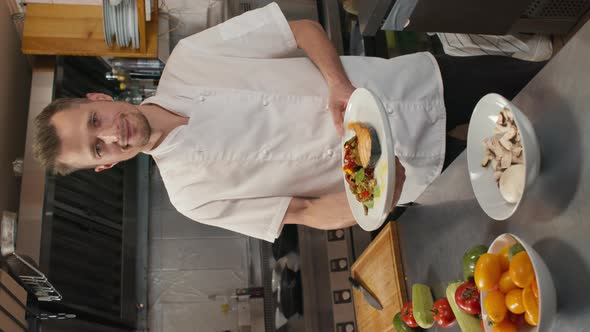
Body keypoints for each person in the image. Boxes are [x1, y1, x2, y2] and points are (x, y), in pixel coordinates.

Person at [32, 3, 544, 242]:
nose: (109, 135)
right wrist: (378, 197)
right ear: (103, 166)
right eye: (96, 148)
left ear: (99, 97)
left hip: (415, 85)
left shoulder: (190, 57)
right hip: (419, 172)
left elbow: (298, 30)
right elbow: (304, 211)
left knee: (551, 87)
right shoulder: (191, 196)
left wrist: (339, 85)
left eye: (94, 119)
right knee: (543, 177)